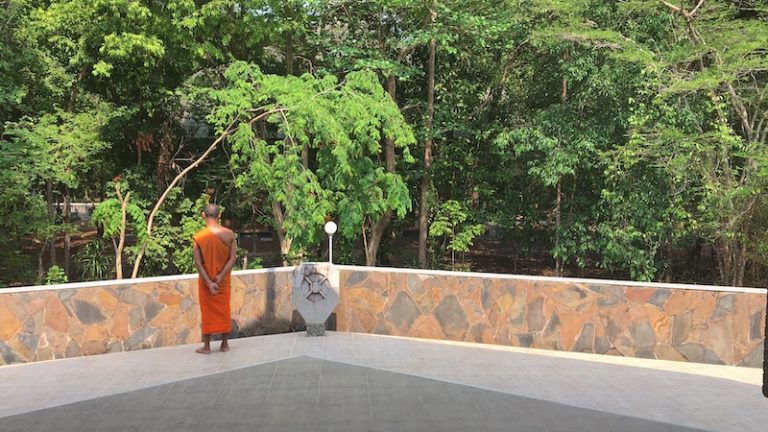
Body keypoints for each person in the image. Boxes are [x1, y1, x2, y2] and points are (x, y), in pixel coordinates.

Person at [193, 204, 237, 354]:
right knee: (224, 310)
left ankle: (206, 346)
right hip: (223, 281)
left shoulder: (199, 237)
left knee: (207, 312)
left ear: (203, 216)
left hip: (207, 281)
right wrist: (219, 278)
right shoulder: (229, 234)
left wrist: (210, 282)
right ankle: (224, 344)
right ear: (219, 216)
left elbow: (198, 263)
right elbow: (232, 259)